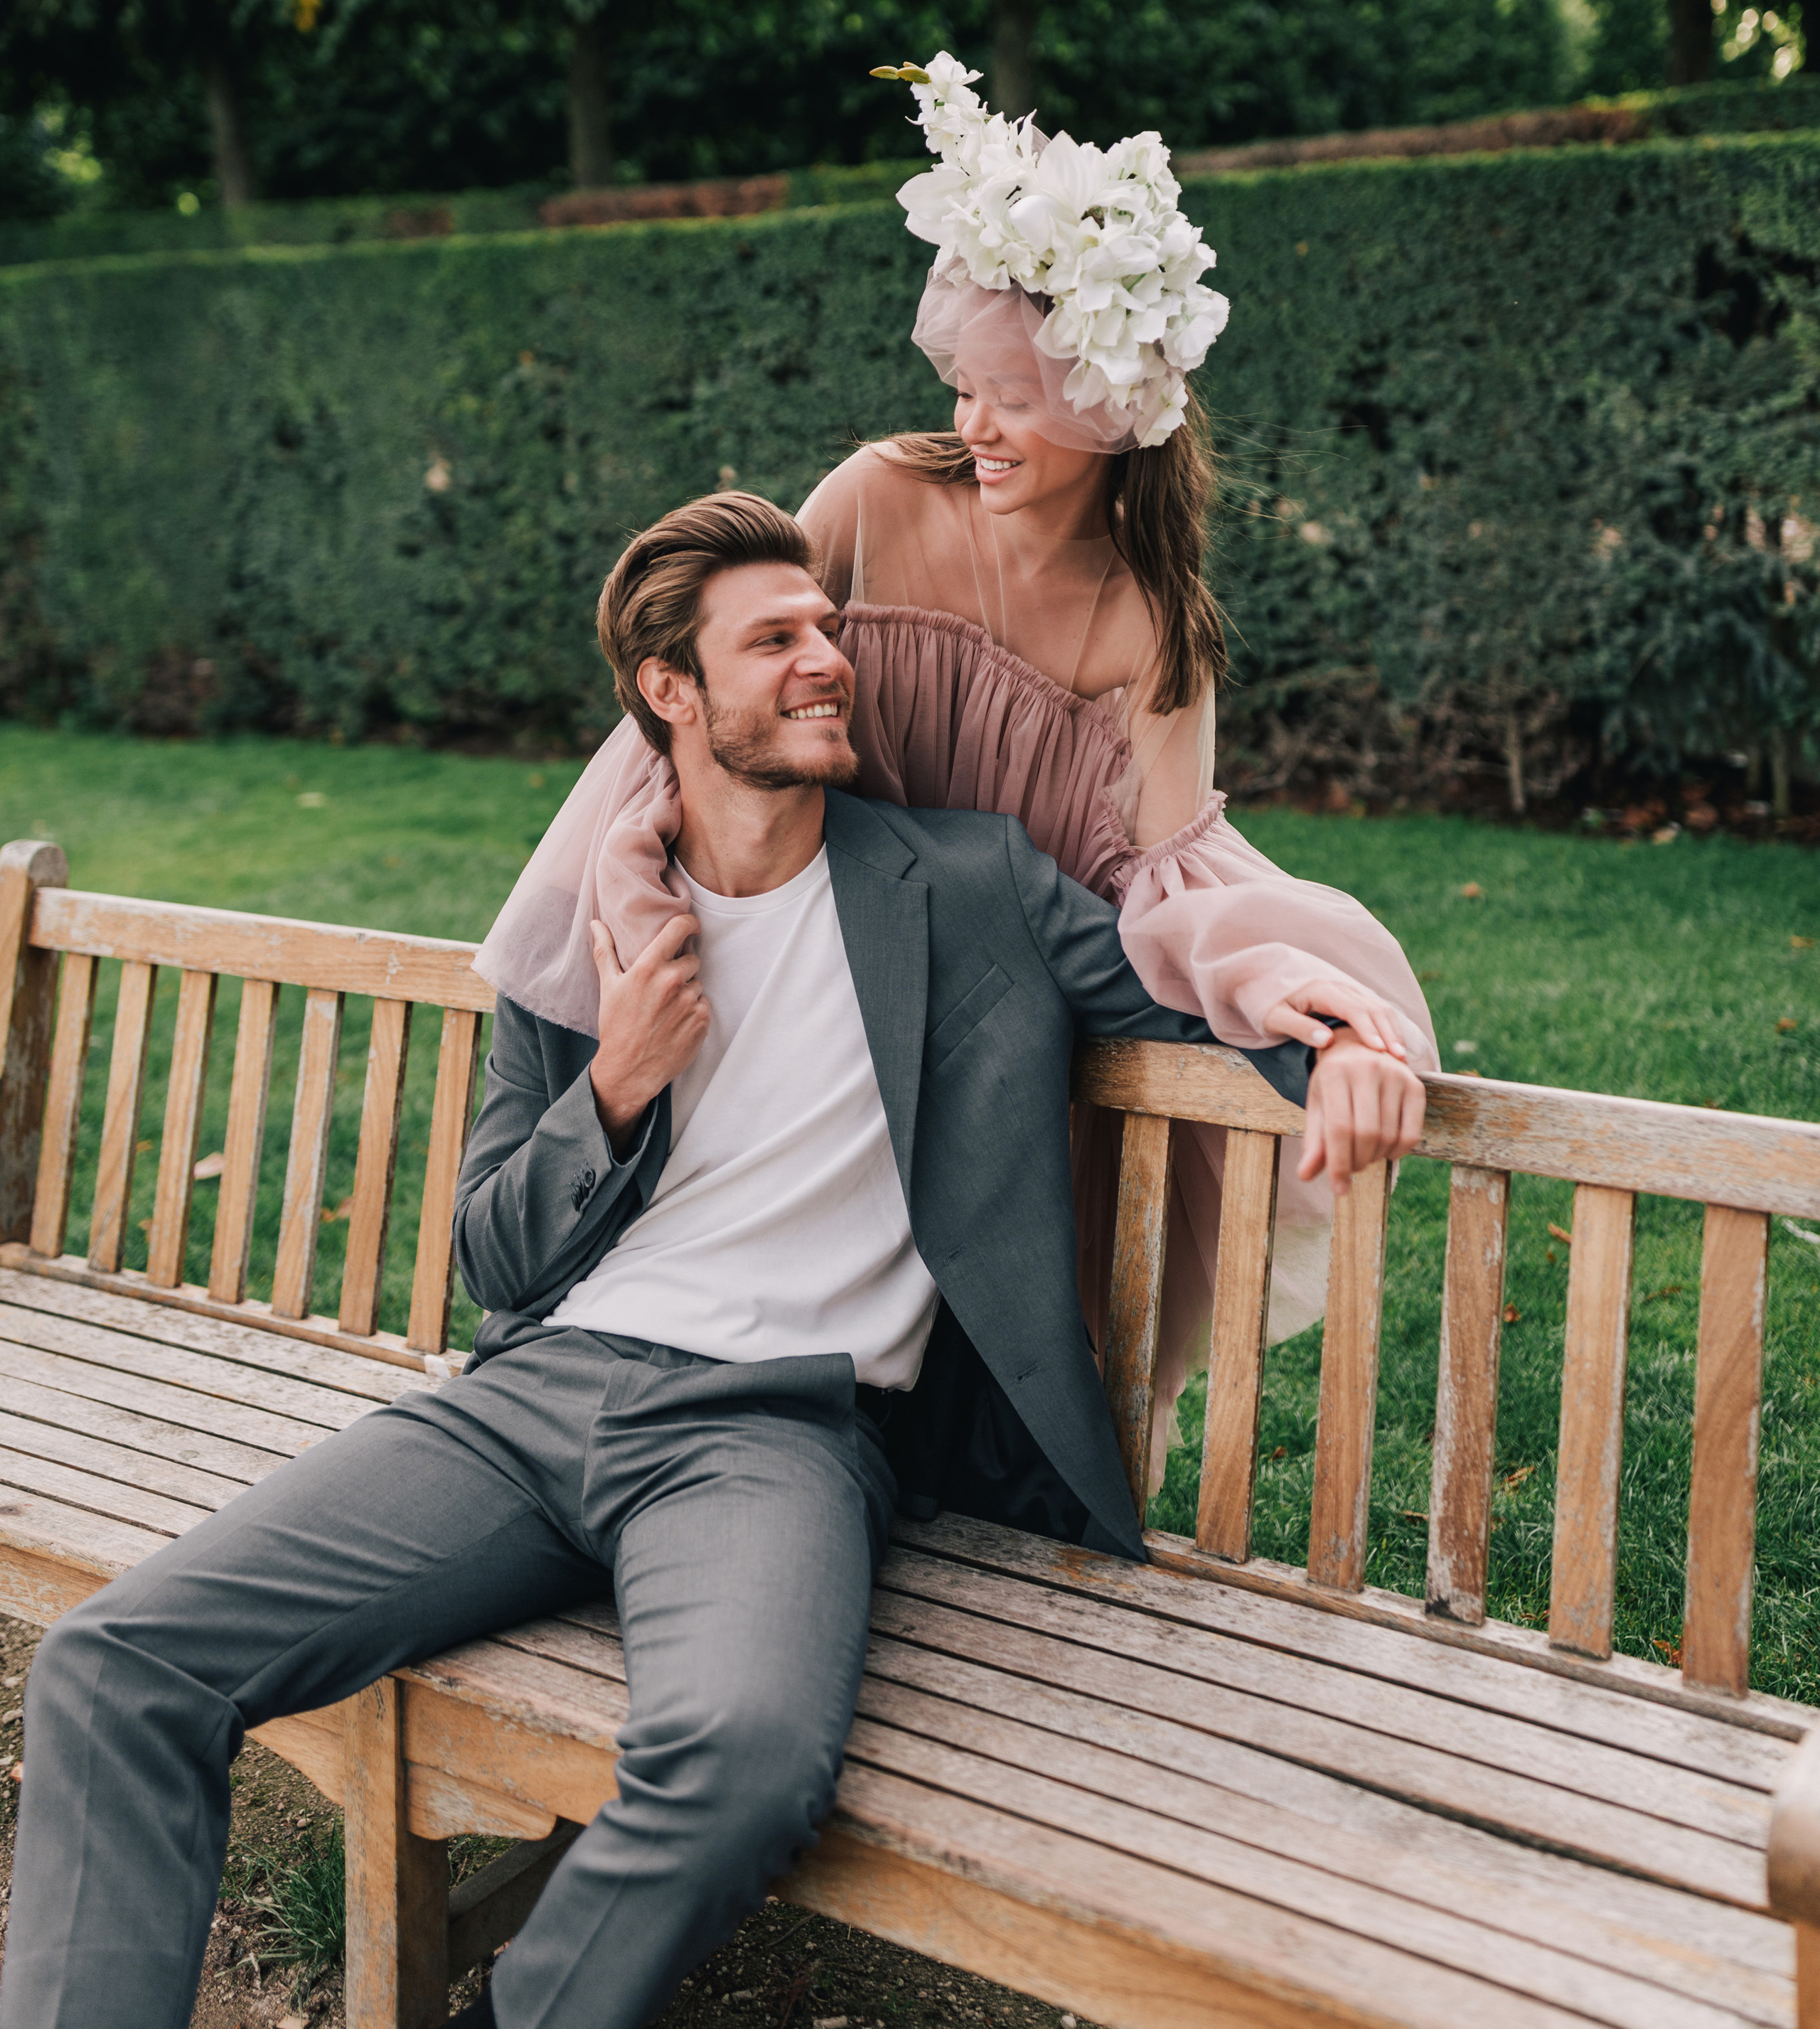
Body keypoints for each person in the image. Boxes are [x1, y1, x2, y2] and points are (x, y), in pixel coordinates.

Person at [1, 493, 1369, 2029]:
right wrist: (615, 1085)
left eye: (826, 630)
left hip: (772, 1436)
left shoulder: (968, 883)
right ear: (671, 691)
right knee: (120, 1664)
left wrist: (1331, 1029)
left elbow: (1173, 976)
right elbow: (493, 1253)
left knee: (736, 1768)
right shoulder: (587, 936)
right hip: (528, 1408)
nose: (826, 662)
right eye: (772, 640)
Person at [476, 55, 1438, 1481]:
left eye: (1018, 397)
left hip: (1005, 986)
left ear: (1112, 401)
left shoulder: (1147, 623)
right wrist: (629, 888)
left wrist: (1314, 1009)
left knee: (1017, 1375)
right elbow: (716, 698)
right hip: (812, 945)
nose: (977, 426)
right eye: (966, 388)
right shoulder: (872, 497)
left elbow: (1164, 882)